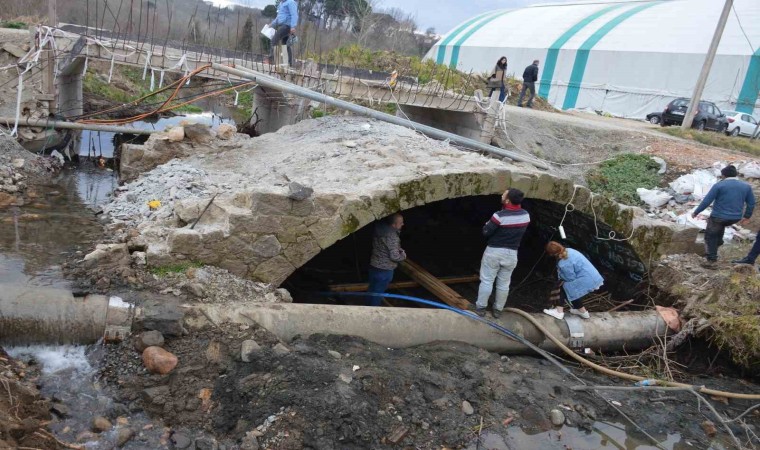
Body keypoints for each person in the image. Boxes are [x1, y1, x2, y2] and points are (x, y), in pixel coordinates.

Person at [475, 189, 530, 319]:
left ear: (507, 200)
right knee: (504, 284)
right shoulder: (526, 215)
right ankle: (498, 309)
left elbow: (486, 231)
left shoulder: (499, 216)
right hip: (512, 254)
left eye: (504, 195)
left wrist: (487, 225)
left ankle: (481, 307)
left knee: (487, 281)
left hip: (494, 252)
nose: (501, 195)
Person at [692, 165, 755, 267]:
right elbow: (751, 203)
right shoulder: (746, 186)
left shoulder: (719, 185)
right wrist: (747, 216)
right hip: (735, 217)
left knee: (710, 236)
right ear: (736, 175)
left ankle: (711, 260)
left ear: (723, 175)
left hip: (719, 217)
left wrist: (696, 212)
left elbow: (707, 201)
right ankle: (718, 244)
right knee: (719, 228)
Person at [543, 241, 603, 320]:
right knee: (572, 290)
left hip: (587, 279)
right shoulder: (569, 250)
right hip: (594, 276)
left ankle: (559, 312)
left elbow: (570, 278)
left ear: (552, 254)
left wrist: (561, 277)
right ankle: (583, 312)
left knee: (562, 286)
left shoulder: (563, 263)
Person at [367, 213, 406, 306]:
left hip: (374, 265)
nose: (403, 224)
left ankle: (367, 306)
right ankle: (373, 311)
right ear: (393, 225)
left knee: (372, 289)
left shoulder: (379, 228)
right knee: (378, 293)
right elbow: (394, 256)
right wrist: (403, 255)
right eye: (400, 223)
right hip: (385, 269)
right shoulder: (392, 236)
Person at [268, 0, 298, 66]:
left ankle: (271, 60)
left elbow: (294, 15)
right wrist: (272, 24)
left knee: (274, 40)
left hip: (287, 26)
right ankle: (288, 63)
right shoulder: (281, 3)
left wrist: (293, 26)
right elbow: (279, 17)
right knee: (285, 44)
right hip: (282, 25)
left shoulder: (291, 2)